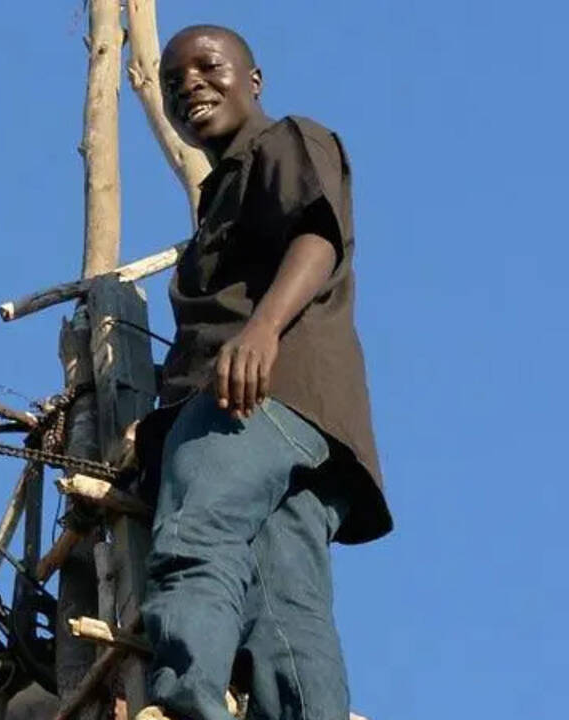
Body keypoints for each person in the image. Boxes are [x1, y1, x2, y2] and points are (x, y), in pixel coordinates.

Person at [137, 24, 393, 720]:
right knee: (287, 603)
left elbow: (317, 234)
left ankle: (186, 703)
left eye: (208, 66)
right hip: (311, 422)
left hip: (255, 396)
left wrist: (261, 330)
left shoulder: (287, 141)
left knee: (197, 535)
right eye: (170, 82)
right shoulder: (221, 193)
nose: (188, 83)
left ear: (254, 79)